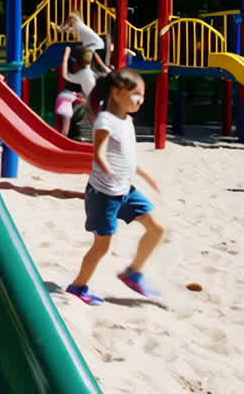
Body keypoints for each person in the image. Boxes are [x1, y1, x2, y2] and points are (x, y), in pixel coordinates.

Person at [65, 68, 166, 305]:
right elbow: (98, 151)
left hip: (125, 190)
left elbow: (128, 157)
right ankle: (78, 287)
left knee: (157, 229)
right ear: (117, 92)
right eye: (136, 94)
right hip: (103, 195)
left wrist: (146, 176)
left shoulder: (127, 121)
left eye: (143, 95)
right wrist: (106, 167)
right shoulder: (106, 120)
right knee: (102, 247)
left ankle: (133, 272)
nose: (141, 100)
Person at [55, 45, 105, 137]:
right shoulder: (87, 74)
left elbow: (65, 75)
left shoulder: (83, 73)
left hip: (67, 99)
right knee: (66, 128)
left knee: (64, 126)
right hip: (68, 100)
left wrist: (66, 56)